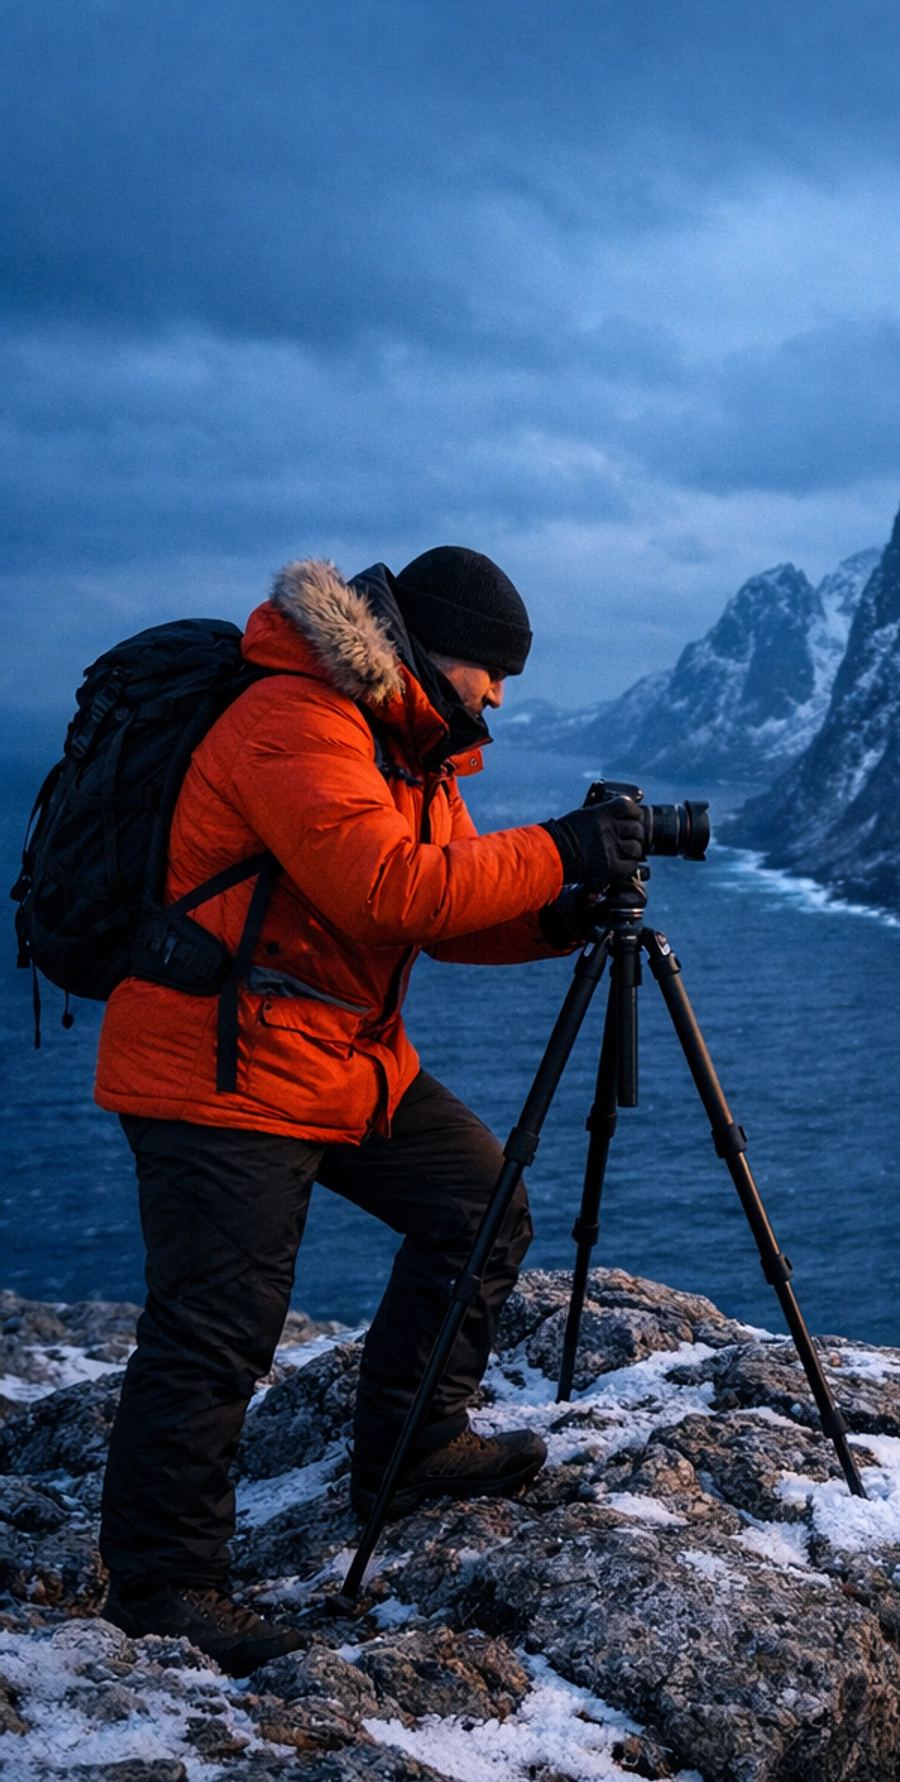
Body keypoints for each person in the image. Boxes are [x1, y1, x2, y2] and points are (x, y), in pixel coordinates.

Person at [93, 546, 644, 1675]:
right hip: (222, 1064)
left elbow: (429, 919)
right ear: (432, 649)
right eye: (493, 670)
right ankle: (164, 1586)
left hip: (332, 1054)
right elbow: (386, 887)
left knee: (479, 1205)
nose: (498, 695)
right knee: (215, 1332)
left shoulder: (411, 746)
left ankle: (414, 1446)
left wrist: (557, 911)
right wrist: (558, 849)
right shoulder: (296, 717)